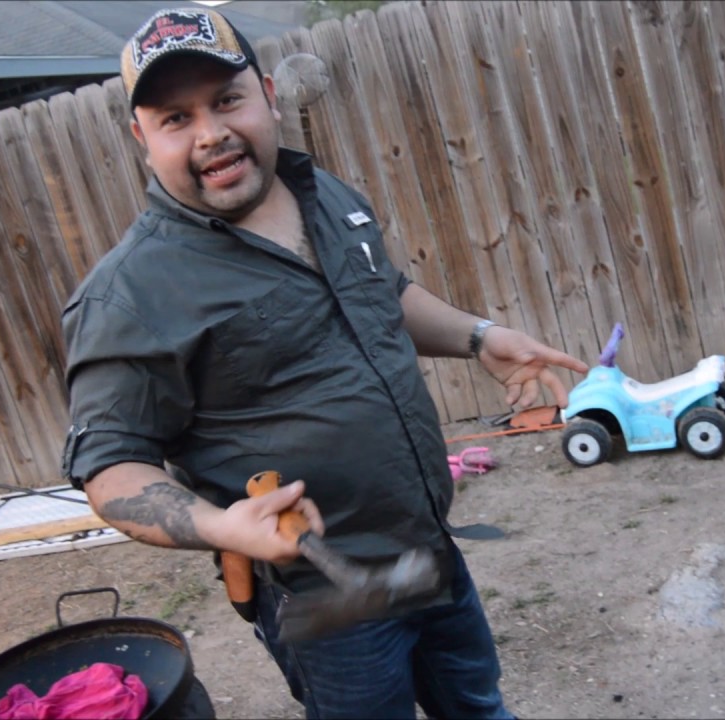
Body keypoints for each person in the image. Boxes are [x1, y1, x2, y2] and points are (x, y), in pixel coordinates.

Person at [60, 7, 589, 718]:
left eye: (226, 99)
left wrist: (477, 336)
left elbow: (381, 292)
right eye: (175, 118)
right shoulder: (129, 293)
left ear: (269, 96)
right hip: (324, 597)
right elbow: (109, 467)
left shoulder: (322, 193)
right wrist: (223, 527)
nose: (211, 132)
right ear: (142, 140)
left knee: (477, 705)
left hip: (425, 546)